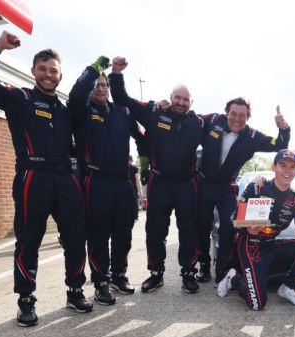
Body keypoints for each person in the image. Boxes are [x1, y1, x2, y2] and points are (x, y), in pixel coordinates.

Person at [0, 31, 92, 327]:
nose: (48, 75)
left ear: (60, 76)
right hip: (32, 178)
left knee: (76, 238)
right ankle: (26, 299)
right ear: (33, 71)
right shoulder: (19, 98)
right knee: (28, 241)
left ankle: (75, 291)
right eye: (43, 69)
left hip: (65, 179)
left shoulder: (65, 111)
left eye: (53, 71)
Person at [109, 57, 203, 294]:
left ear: (192, 102)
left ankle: (188, 273)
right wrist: (117, 73)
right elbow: (122, 98)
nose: (181, 102)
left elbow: (228, 129)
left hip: (186, 184)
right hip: (159, 181)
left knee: (188, 230)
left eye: (186, 100)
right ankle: (156, 273)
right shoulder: (154, 111)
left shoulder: (198, 123)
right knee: (155, 230)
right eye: (177, 98)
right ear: (170, 97)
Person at [69, 57, 147, 304]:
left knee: (124, 234)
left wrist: (145, 163)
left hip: (122, 183)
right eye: (96, 85)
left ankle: (118, 275)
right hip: (95, 183)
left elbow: (142, 137)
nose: (100, 89)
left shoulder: (123, 112)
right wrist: (95, 68)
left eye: (104, 84)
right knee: (99, 235)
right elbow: (76, 94)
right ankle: (101, 282)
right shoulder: (82, 110)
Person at [196, 99, 290, 285]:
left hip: (227, 187)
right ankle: (204, 266)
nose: (237, 119)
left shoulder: (253, 136)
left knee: (229, 226)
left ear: (247, 117)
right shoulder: (212, 120)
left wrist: (284, 129)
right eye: (233, 114)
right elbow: (189, 118)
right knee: (201, 226)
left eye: (242, 115)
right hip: (204, 183)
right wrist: (165, 107)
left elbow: (279, 144)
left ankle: (222, 270)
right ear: (226, 113)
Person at [217, 150, 295, 310]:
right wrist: (248, 230)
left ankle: (287, 287)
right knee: (257, 304)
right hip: (250, 245)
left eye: (292, 166)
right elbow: (233, 220)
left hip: (271, 244)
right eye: (282, 165)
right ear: (274, 167)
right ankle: (233, 278)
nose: (287, 170)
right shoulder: (257, 188)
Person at [128, 155, 142, 221]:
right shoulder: (135, 169)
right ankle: (135, 216)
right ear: (131, 160)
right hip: (133, 187)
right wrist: (140, 190)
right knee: (135, 201)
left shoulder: (122, 168)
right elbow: (137, 180)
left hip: (125, 187)